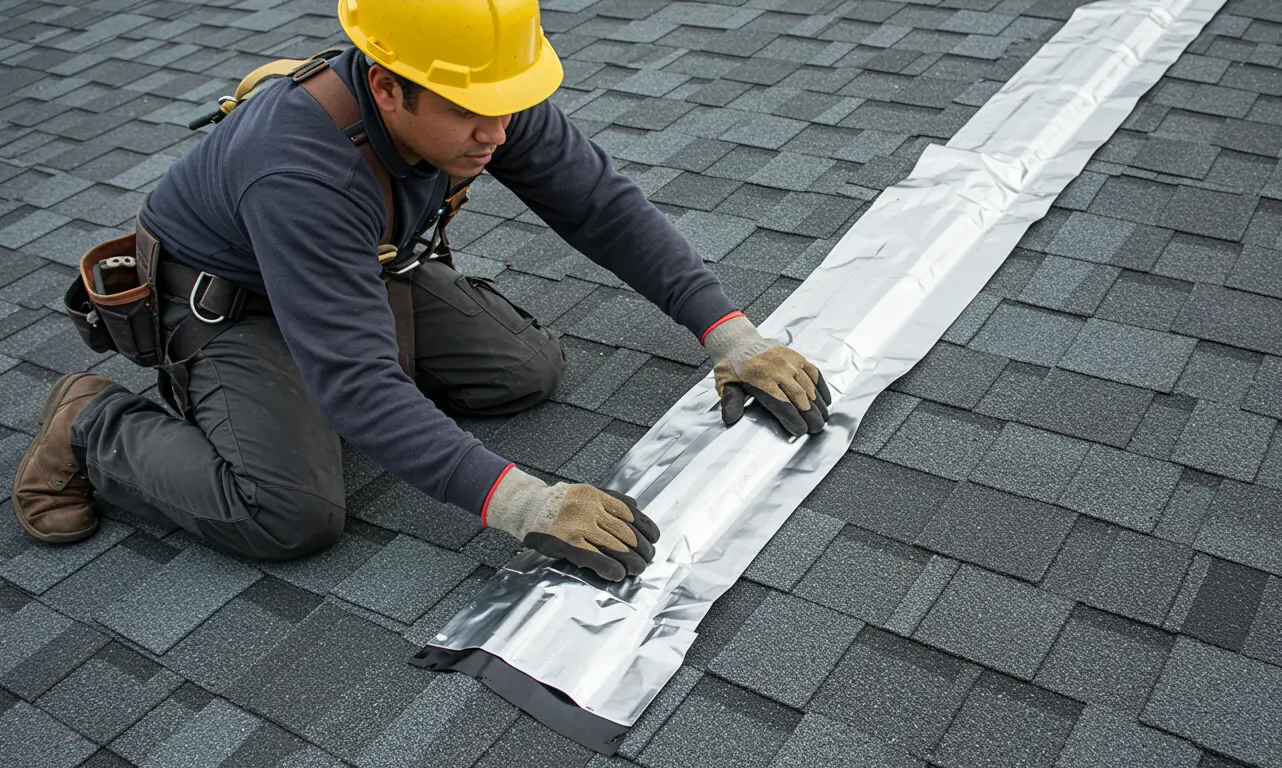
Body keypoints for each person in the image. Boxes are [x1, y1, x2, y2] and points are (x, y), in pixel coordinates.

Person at [12, 0, 830, 582]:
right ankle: (91, 423)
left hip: (351, 266)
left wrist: (731, 336)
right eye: (473, 114)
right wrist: (527, 507)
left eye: (510, 108)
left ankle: (343, 372)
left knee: (523, 372)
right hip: (231, 305)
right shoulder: (300, 170)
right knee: (288, 514)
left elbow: (602, 207)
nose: (498, 134)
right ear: (386, 86)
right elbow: (357, 382)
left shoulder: (486, 92)